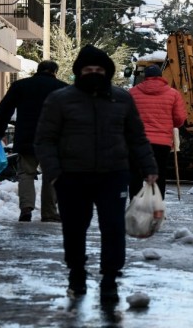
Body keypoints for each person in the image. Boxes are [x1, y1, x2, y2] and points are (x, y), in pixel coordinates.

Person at [34, 44, 158, 302]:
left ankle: (110, 279)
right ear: (79, 71)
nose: (93, 73)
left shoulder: (121, 98)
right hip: (72, 176)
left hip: (113, 174)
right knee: (74, 228)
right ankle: (76, 273)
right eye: (88, 69)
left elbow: (136, 137)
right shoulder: (60, 99)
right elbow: (45, 139)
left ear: (108, 72)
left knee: (113, 228)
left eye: (99, 69)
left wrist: (149, 168)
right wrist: (54, 173)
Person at [0, 61, 67, 222]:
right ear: (54, 71)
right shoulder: (63, 88)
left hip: (27, 137)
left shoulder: (21, 86)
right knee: (51, 174)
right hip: (53, 139)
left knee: (26, 173)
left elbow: (4, 109)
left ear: (37, 70)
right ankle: (49, 212)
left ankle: (26, 208)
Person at [128, 65, 186, 200]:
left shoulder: (132, 93)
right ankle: (156, 207)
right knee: (158, 173)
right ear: (161, 77)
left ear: (145, 77)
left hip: (137, 142)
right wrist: (169, 124)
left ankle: (135, 205)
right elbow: (179, 119)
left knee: (136, 174)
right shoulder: (173, 94)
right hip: (162, 143)